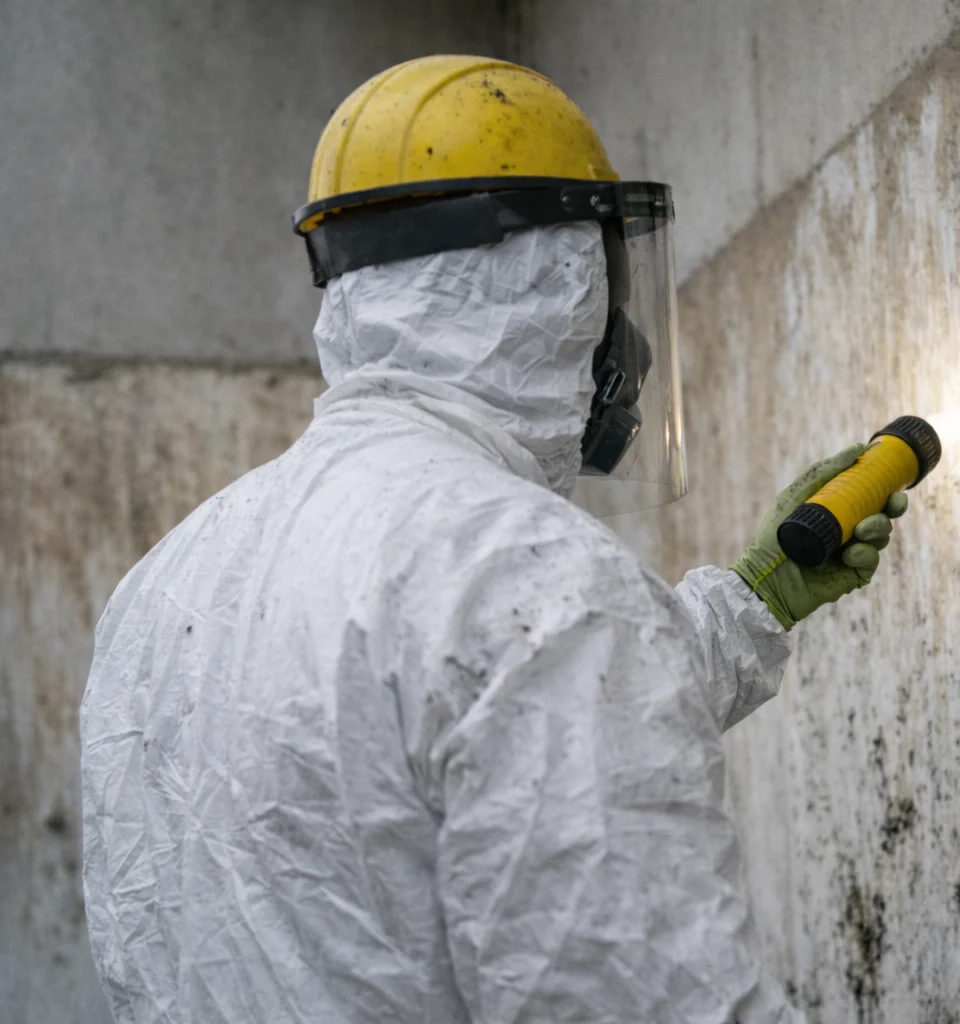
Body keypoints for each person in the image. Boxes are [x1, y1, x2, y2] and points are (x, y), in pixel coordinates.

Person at [79, 56, 907, 1023]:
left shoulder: (165, 586)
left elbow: (445, 744)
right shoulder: (533, 571)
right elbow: (638, 993)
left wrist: (756, 593)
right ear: (555, 281)